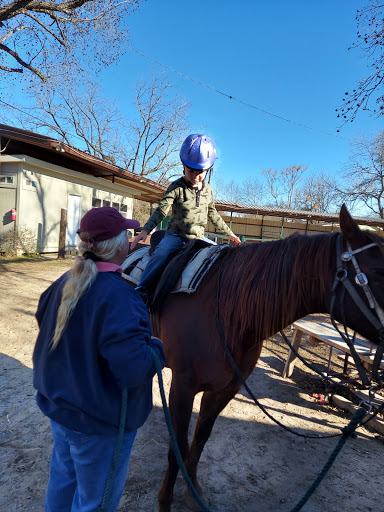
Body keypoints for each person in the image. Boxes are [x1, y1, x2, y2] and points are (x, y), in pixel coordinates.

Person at [32, 206, 166, 512]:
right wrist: (158, 349)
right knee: (96, 502)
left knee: (63, 482)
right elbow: (132, 371)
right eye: (128, 236)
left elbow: (46, 323)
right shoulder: (120, 298)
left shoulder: (64, 283)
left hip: (62, 412)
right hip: (99, 424)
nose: (132, 242)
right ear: (118, 245)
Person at [132, 133, 241, 297]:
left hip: (199, 237)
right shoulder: (176, 187)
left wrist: (229, 233)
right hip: (176, 235)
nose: (196, 176)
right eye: (191, 171)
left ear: (208, 170)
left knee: (221, 255)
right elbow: (162, 210)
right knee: (161, 254)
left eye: (201, 171)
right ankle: (143, 290)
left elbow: (213, 214)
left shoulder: (209, 190)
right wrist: (146, 230)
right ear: (183, 166)